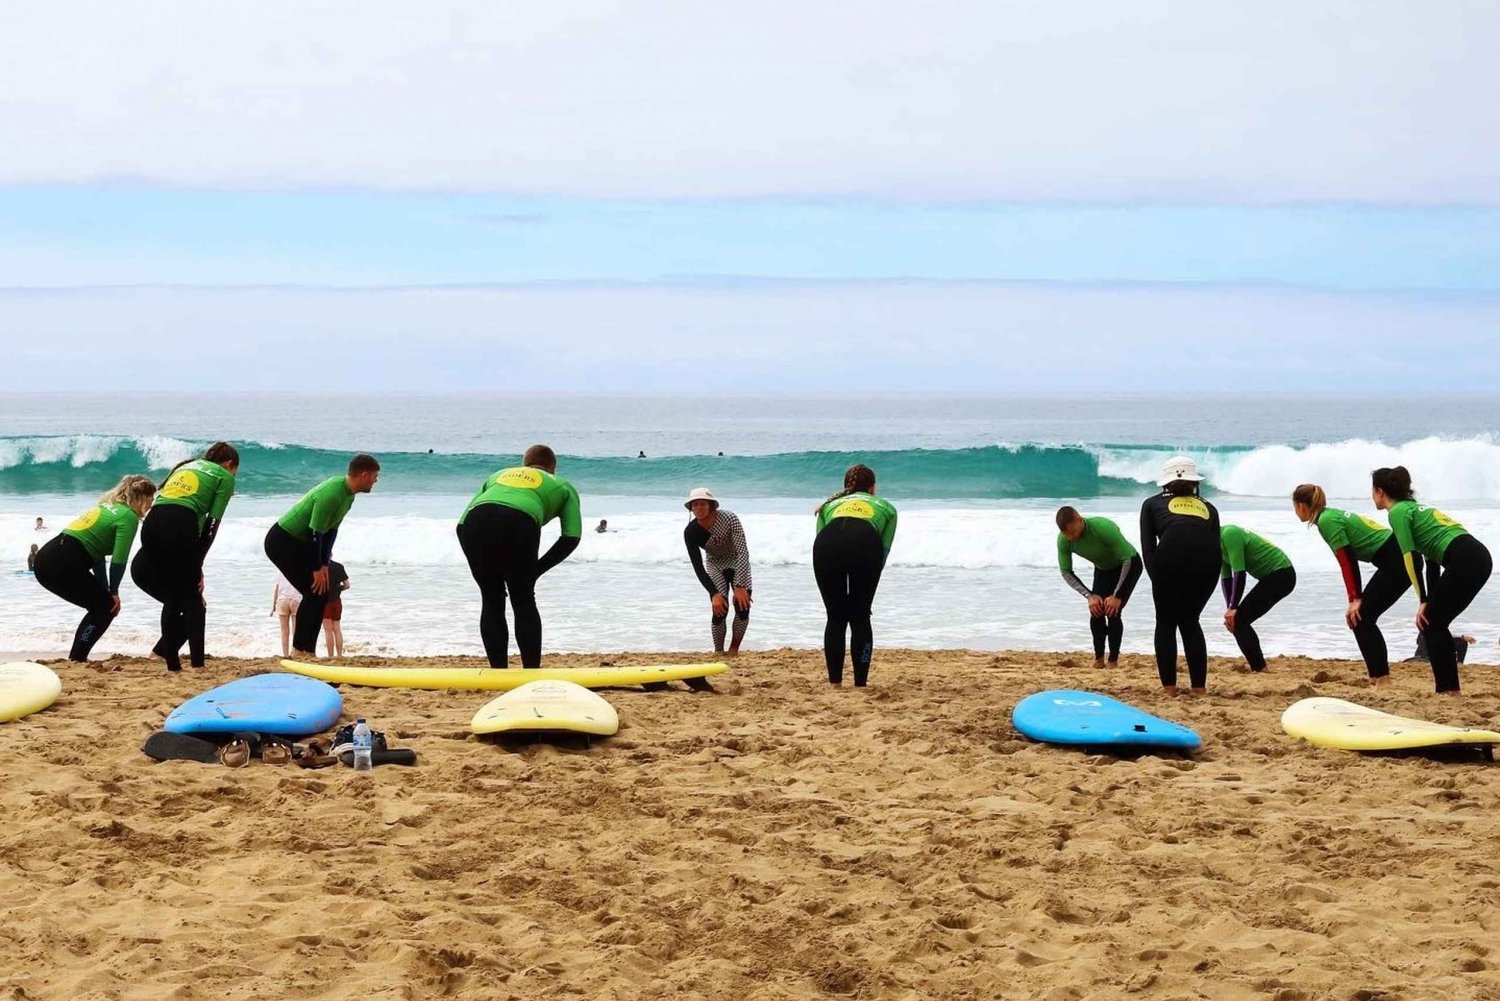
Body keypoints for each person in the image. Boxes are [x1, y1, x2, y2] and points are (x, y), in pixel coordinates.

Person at [456, 445, 582, 668]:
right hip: (518, 522)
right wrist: (537, 570)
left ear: (524, 464)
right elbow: (571, 537)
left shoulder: (498, 475)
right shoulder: (562, 485)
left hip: (476, 523)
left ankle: (498, 671)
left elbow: (461, 524)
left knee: (491, 598)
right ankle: (531, 670)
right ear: (553, 467)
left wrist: (475, 560)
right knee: (523, 598)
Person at [1372, 466, 1492, 694]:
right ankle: (1449, 689)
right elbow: (1431, 563)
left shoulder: (1396, 512)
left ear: (1379, 491)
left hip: (1464, 558)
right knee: (1434, 622)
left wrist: (1424, 601)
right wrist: (1429, 600)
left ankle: (1448, 689)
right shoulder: (1415, 509)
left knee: (1431, 622)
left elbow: (1411, 558)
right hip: (1478, 556)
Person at [130, 442, 239, 671]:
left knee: (173, 595)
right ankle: (198, 665)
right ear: (229, 464)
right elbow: (211, 524)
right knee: (193, 599)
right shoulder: (224, 476)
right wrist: (197, 564)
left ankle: (172, 664)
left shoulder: (187, 466)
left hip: (152, 524)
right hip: (180, 525)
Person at [1292, 484, 1408, 686]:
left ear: (1301, 506)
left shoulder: (1327, 521)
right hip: (1396, 558)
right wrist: (1355, 598)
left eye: (1294, 506)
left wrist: (1355, 599)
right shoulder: (1329, 517)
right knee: (1361, 618)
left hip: (1397, 560)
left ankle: (1382, 679)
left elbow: (1347, 561)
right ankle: (1378, 677)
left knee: (1361, 617)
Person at [265, 454, 380, 657]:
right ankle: (299, 650)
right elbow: (315, 533)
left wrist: (325, 563)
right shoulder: (332, 493)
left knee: (321, 593)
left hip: (302, 542)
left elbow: (331, 531)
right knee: (313, 592)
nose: (376, 481)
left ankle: (306, 649)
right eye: (375, 476)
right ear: (364, 475)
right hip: (282, 541)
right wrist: (317, 567)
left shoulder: (348, 496)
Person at [33, 475, 156, 661]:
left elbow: (97, 557)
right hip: (62, 564)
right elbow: (119, 560)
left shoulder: (105, 506)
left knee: (102, 604)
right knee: (107, 607)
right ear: (143, 498)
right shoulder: (128, 517)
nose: (152, 503)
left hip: (46, 559)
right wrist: (113, 592)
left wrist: (106, 589)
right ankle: (77, 658)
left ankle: (77, 658)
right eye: (151, 498)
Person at [1140, 456, 1221, 695]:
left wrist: (1157, 578)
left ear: (1166, 483)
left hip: (1171, 554)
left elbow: (1148, 547)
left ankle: (1169, 689)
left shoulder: (1151, 504)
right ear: (1194, 482)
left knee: (1165, 622)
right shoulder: (1209, 507)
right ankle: (1199, 688)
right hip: (1208, 561)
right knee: (1190, 621)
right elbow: (1216, 544)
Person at [813, 464, 897, 687]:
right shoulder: (887, 508)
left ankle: (835, 683)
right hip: (864, 542)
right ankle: (860, 683)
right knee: (860, 616)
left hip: (826, 544)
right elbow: (883, 552)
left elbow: (820, 537)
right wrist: (867, 590)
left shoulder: (828, 506)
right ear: (873, 488)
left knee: (835, 616)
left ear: (845, 488)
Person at [1055, 507, 1142, 667]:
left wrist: (1117, 595)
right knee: (1096, 610)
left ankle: (1113, 660)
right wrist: (1090, 596)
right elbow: (1066, 572)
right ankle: (1099, 659)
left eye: (1073, 532)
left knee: (1113, 610)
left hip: (1129, 565)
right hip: (1103, 570)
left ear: (1080, 520)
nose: (1071, 537)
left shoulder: (1103, 528)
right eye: (1067, 534)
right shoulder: (1064, 540)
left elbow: (1128, 560)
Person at [683, 488, 753, 656]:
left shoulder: (729, 518)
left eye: (702, 504)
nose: (698, 508)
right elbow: (698, 566)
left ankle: (734, 650)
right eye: (695, 505)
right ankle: (719, 651)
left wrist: (740, 585)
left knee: (742, 607)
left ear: (711, 505)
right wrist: (713, 593)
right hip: (715, 564)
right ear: (691, 508)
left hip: (737, 561)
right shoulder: (691, 532)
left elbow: (743, 551)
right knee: (720, 608)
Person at [1218, 525, 1295, 673]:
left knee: (1239, 621)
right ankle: (1259, 667)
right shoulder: (1216, 546)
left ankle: (1260, 668)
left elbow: (1239, 574)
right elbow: (1226, 578)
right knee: (1236, 621)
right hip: (1273, 576)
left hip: (1282, 574)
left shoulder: (1229, 534)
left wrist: (1234, 608)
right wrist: (1230, 608)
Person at [322, 560, 350, 658]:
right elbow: (347, 585)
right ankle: (339, 655)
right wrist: (339, 589)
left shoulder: (319, 568)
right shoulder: (339, 566)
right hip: (337, 601)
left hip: (325, 602)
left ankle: (330, 656)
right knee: (337, 629)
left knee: (328, 630)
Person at [271, 571, 302, 658]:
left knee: (284, 631)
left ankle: (285, 654)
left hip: (282, 600)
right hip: (296, 600)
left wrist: (273, 606)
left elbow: (276, 589)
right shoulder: (299, 571)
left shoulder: (280, 571)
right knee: (296, 630)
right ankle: (294, 652)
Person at [1406, 631, 1474, 665]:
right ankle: (1459, 663)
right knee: (1462, 641)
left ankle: (1459, 664)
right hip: (1425, 657)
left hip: (1424, 655)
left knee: (1462, 641)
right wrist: (1462, 637)